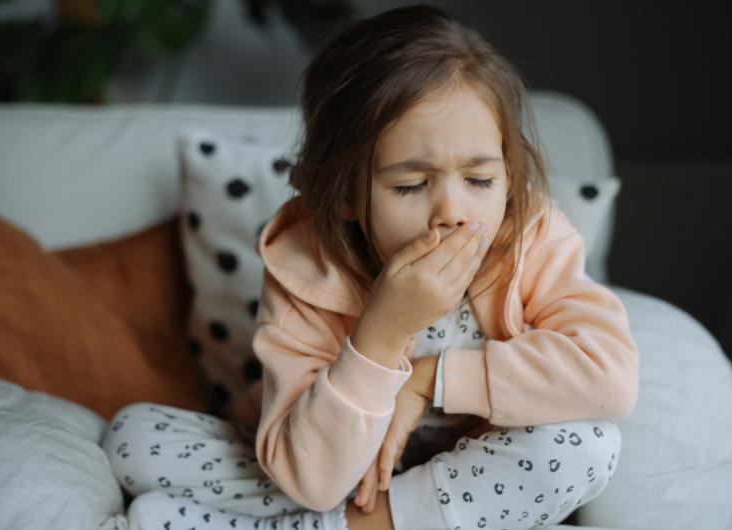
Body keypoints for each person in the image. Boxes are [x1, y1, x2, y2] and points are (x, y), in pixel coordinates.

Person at [102, 5, 638, 530]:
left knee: (588, 444)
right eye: (410, 185)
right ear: (344, 196)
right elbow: (309, 479)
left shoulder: (531, 236)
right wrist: (381, 334)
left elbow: (611, 376)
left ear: (508, 168)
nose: (453, 211)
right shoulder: (305, 266)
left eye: (480, 180)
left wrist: (429, 381)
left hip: (472, 466)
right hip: (335, 470)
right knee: (132, 439)